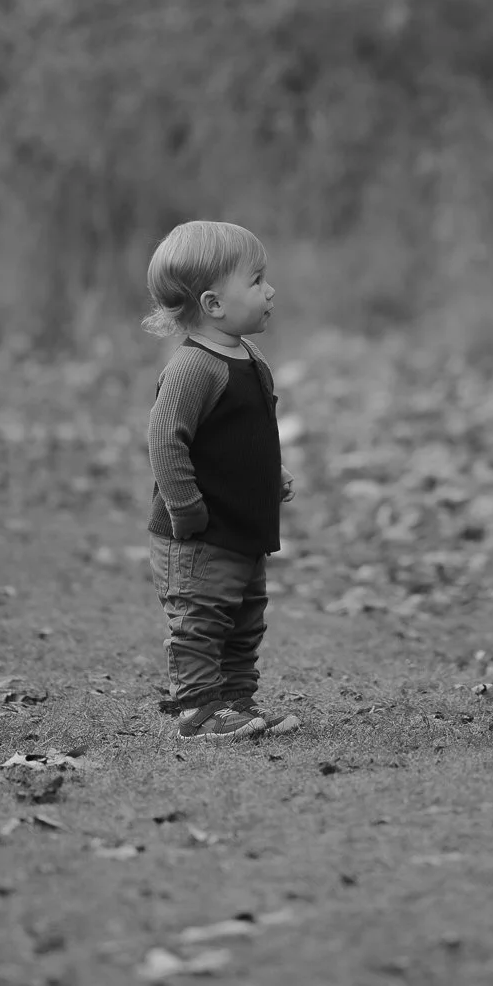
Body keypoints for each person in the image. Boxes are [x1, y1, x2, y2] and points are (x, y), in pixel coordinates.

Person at [143, 220, 298, 740]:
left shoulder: (251, 359)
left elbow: (247, 434)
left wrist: (269, 474)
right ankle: (199, 709)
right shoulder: (193, 367)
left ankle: (236, 699)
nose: (269, 290)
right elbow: (166, 439)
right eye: (256, 281)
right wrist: (185, 506)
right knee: (201, 618)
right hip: (199, 531)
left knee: (244, 616)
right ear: (212, 304)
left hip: (242, 524)